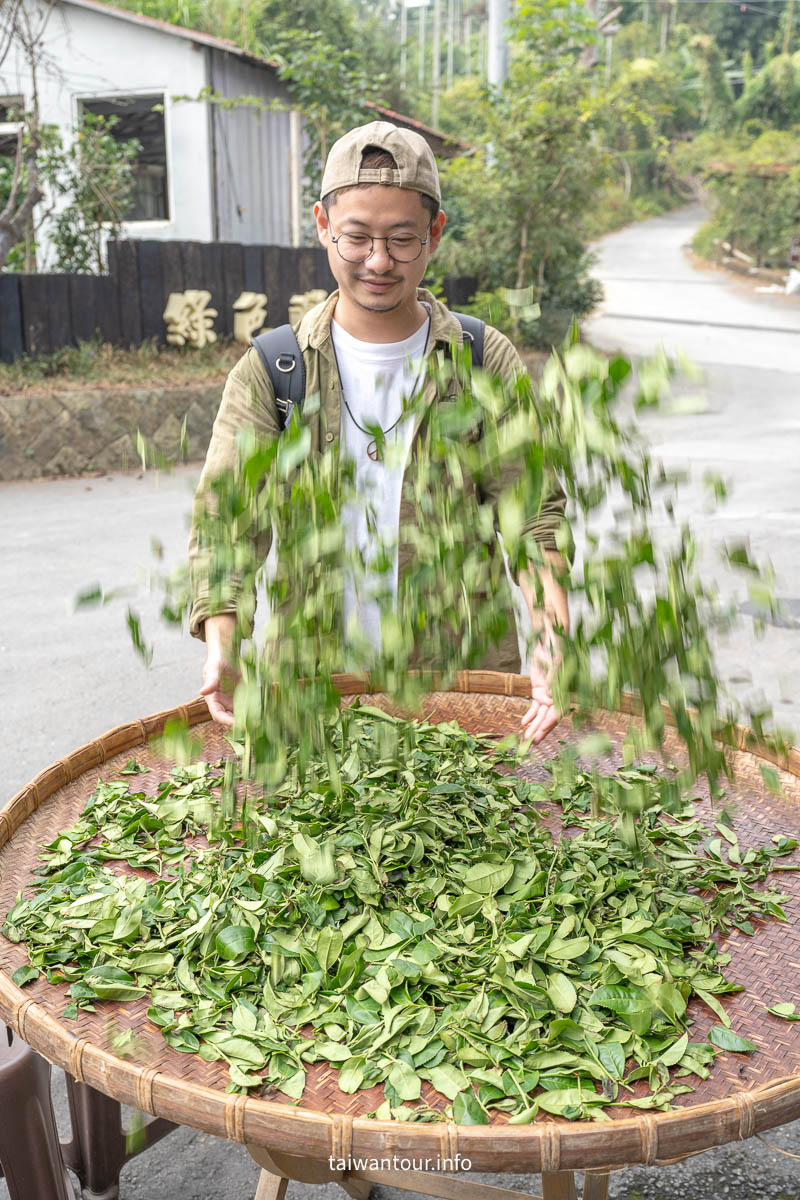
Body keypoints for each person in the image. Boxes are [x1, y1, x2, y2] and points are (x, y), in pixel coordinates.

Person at [188, 120, 569, 744]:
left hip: (463, 687)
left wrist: (552, 646)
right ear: (321, 225)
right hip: (313, 693)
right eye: (356, 238)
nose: (378, 262)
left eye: (401, 240)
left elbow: (532, 519)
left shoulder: (480, 360)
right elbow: (228, 523)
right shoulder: (275, 369)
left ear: (435, 234)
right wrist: (223, 644)